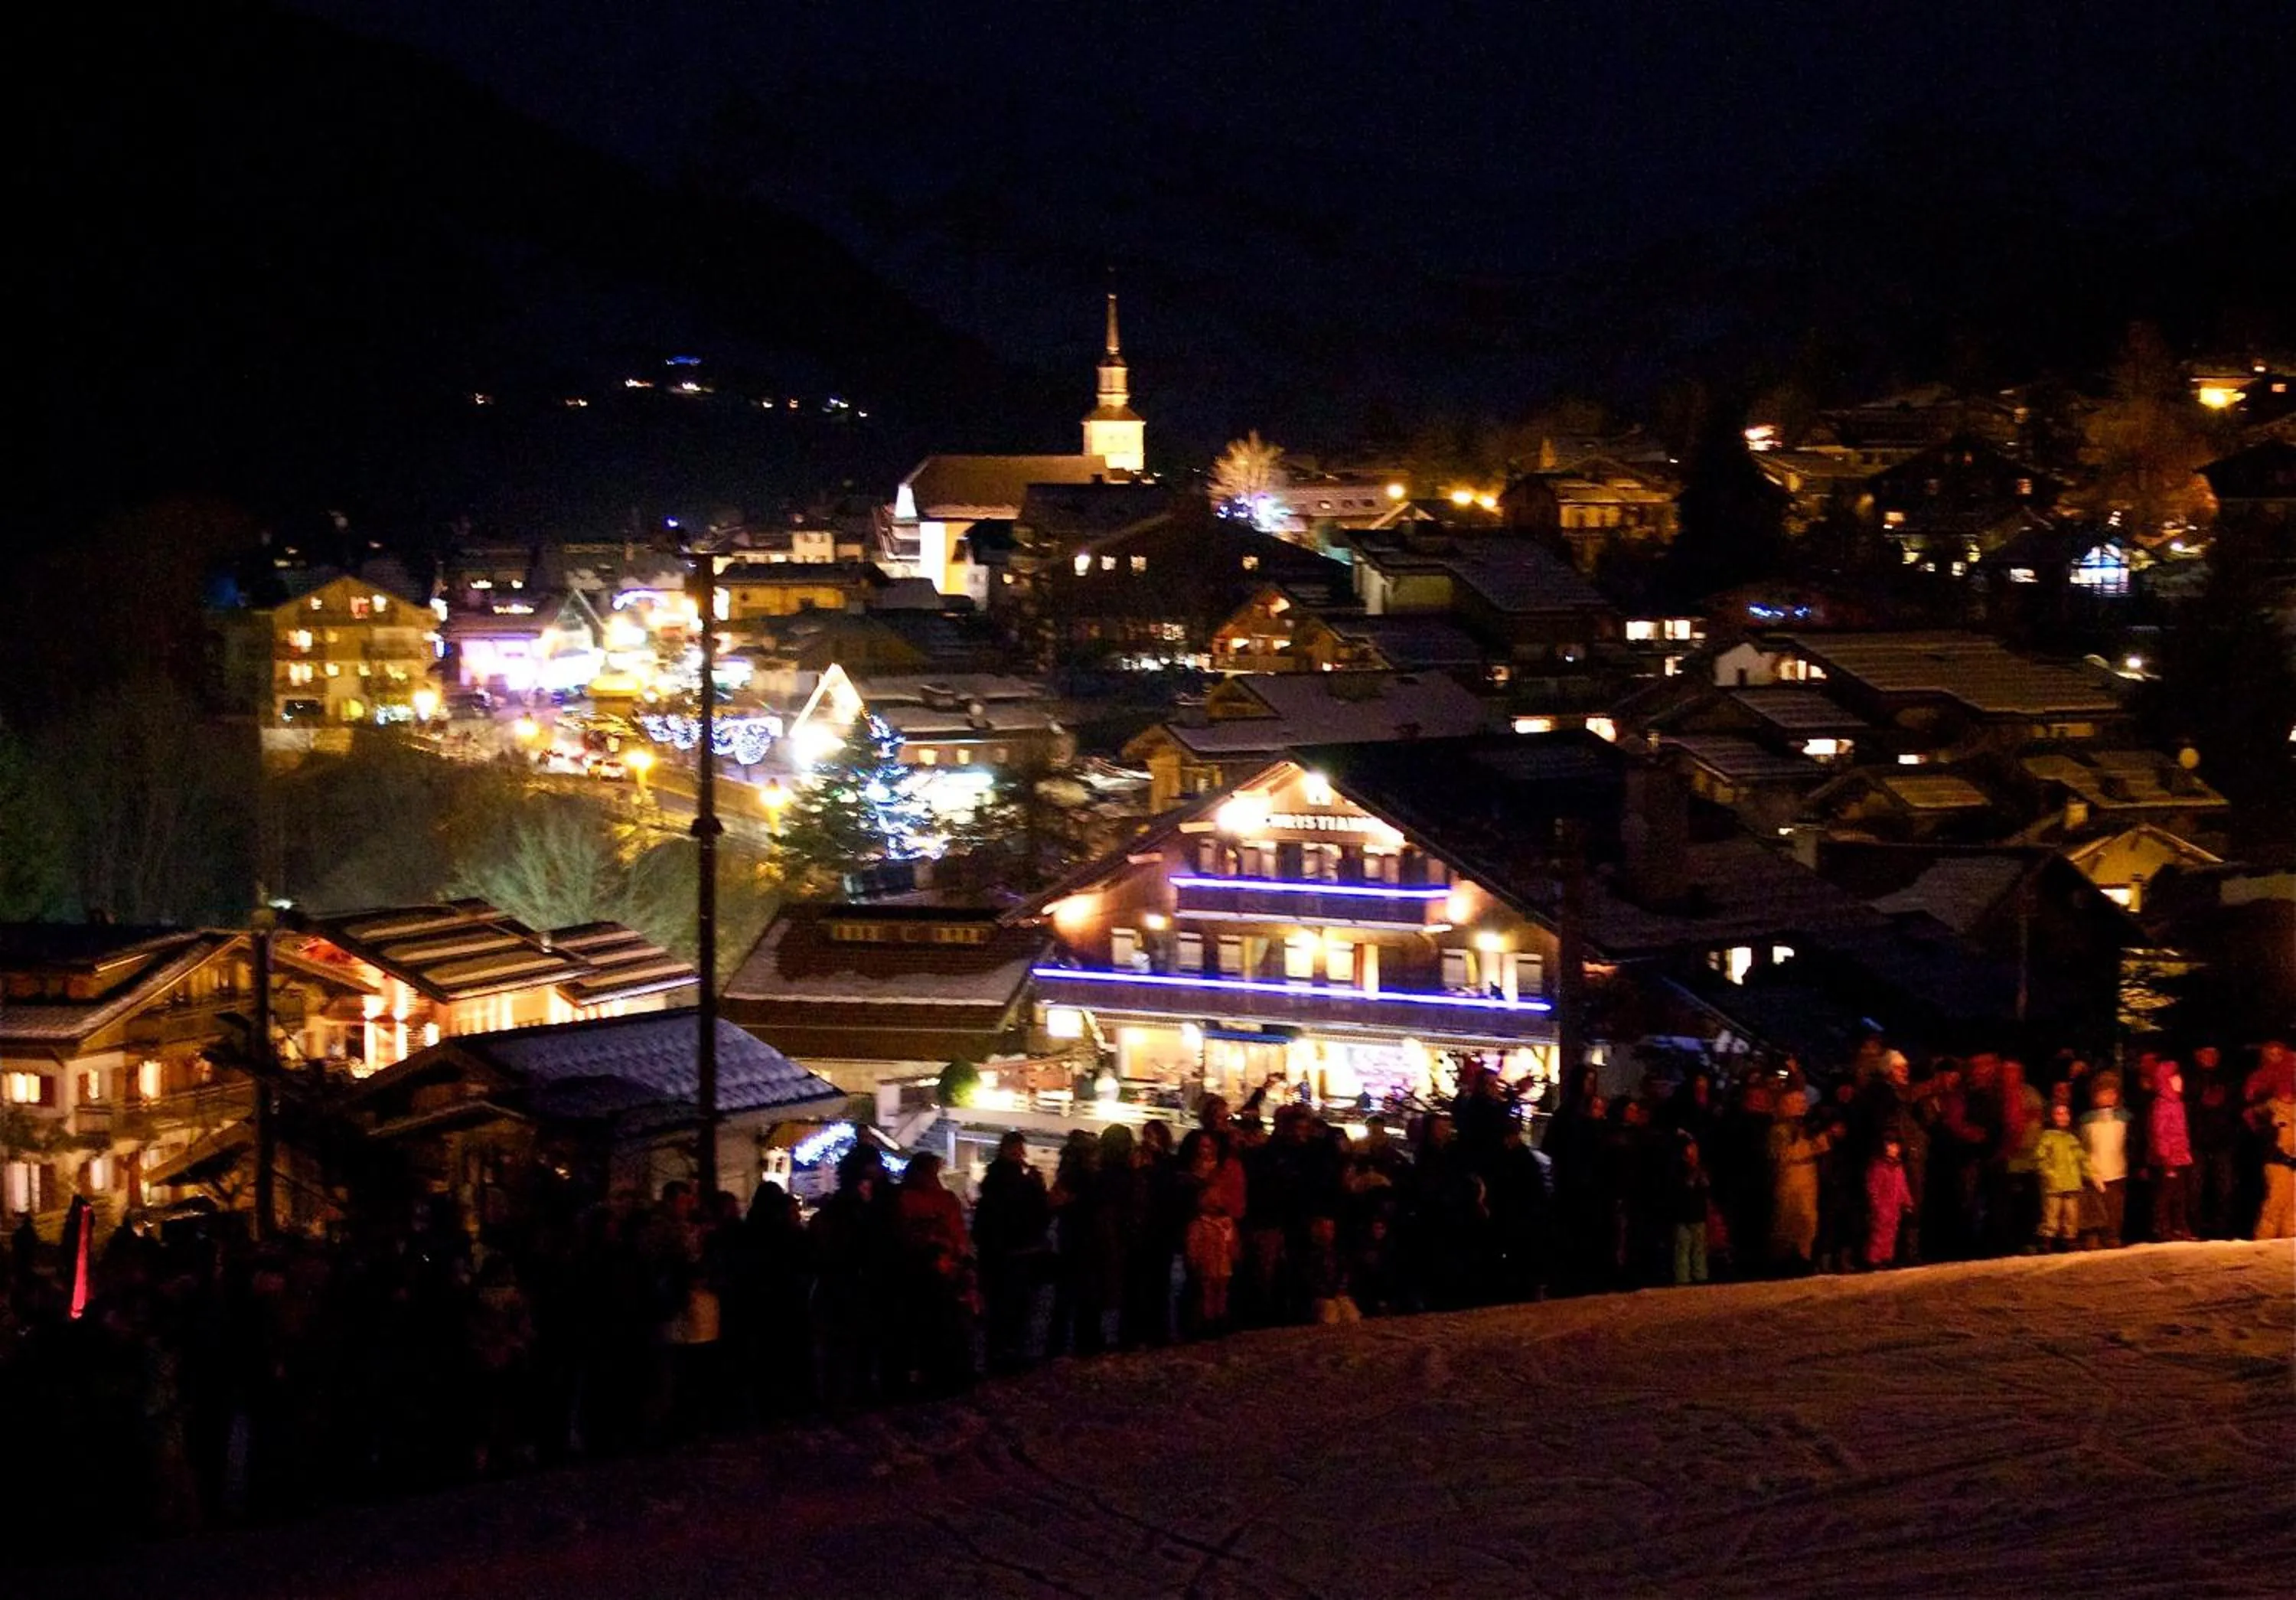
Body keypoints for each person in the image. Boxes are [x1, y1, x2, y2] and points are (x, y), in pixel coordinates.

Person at [895, 1154, 975, 1396]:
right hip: (922, 1272)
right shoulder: (906, 1199)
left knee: (945, 1326)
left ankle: (945, 1373)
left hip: (944, 1270)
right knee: (928, 1327)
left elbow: (957, 1230)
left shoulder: (944, 1198)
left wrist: (961, 1256)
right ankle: (930, 1375)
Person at [971, 1131, 1049, 1374]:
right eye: (1018, 1150)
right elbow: (1031, 1214)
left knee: (1005, 1309)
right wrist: (1038, 1189)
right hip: (1013, 1252)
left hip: (1002, 1252)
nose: (1021, 1155)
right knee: (1012, 1308)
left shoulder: (996, 1180)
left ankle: (1000, 1354)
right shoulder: (1011, 1182)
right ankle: (1007, 1355)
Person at [1766, 1088, 1832, 1273]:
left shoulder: (1805, 1127)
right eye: (1796, 1102)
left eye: (1804, 1102)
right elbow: (1782, 1155)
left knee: (1808, 1222)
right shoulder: (1779, 1130)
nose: (1802, 1105)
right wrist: (1813, 1148)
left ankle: (1805, 1259)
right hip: (1790, 1181)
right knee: (1789, 1222)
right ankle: (1786, 1262)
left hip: (1808, 1182)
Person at [2077, 1073, 2132, 1248]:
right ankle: (2093, 1234)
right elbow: (2082, 1147)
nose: (2108, 1097)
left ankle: (2112, 1234)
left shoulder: (2124, 1118)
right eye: (2103, 1093)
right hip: (2094, 1170)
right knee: (2093, 1206)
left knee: (2114, 1206)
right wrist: (2087, 1169)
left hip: (2117, 1169)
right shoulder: (2086, 1120)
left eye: (2112, 1093)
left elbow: (2128, 1143)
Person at [2033, 1101, 2095, 1251]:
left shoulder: (2072, 1139)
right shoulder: (2047, 1138)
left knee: (2071, 1214)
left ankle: (2069, 1239)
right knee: (2051, 1214)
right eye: (2058, 1114)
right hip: (2054, 1185)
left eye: (2065, 1113)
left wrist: (2091, 1175)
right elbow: (2040, 1159)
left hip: (2072, 1183)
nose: (2063, 1117)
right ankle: (2047, 1239)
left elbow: (2082, 1159)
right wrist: (2048, 1174)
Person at [2146, 1063, 2196, 1241]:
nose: (2180, 1080)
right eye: (2175, 1077)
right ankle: (2163, 1229)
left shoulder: (2177, 1103)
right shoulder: (2162, 1104)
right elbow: (2159, 1133)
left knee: (2180, 1195)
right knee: (2165, 1195)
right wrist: (2166, 1157)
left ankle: (2180, 1227)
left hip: (2180, 1156)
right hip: (2168, 1159)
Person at [2252, 1073, 2296, 1242]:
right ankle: (2265, 1236)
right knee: (2276, 1200)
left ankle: (2290, 1235)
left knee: (2293, 1201)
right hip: (2277, 1161)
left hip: (2293, 1161)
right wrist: (2281, 1155)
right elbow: (2265, 1138)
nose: (2288, 1094)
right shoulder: (2268, 1110)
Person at [1864, 1136, 1916, 1269]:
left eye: (1895, 1146)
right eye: (1890, 1146)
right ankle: (1874, 1259)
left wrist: (1907, 1202)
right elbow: (1873, 1188)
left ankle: (1886, 1257)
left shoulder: (1898, 1167)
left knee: (1891, 1234)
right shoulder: (1879, 1167)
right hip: (1882, 1206)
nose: (1894, 1149)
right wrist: (1876, 1205)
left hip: (1894, 1206)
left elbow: (1903, 1186)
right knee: (1879, 1233)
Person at [1670, 1135, 1713, 1286]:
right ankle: (1682, 1278)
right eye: (1691, 1148)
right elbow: (1684, 1186)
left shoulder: (1702, 1168)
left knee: (1699, 1247)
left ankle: (1700, 1275)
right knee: (1683, 1247)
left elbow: (1706, 1186)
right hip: (1682, 1214)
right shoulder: (1678, 1167)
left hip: (1698, 1213)